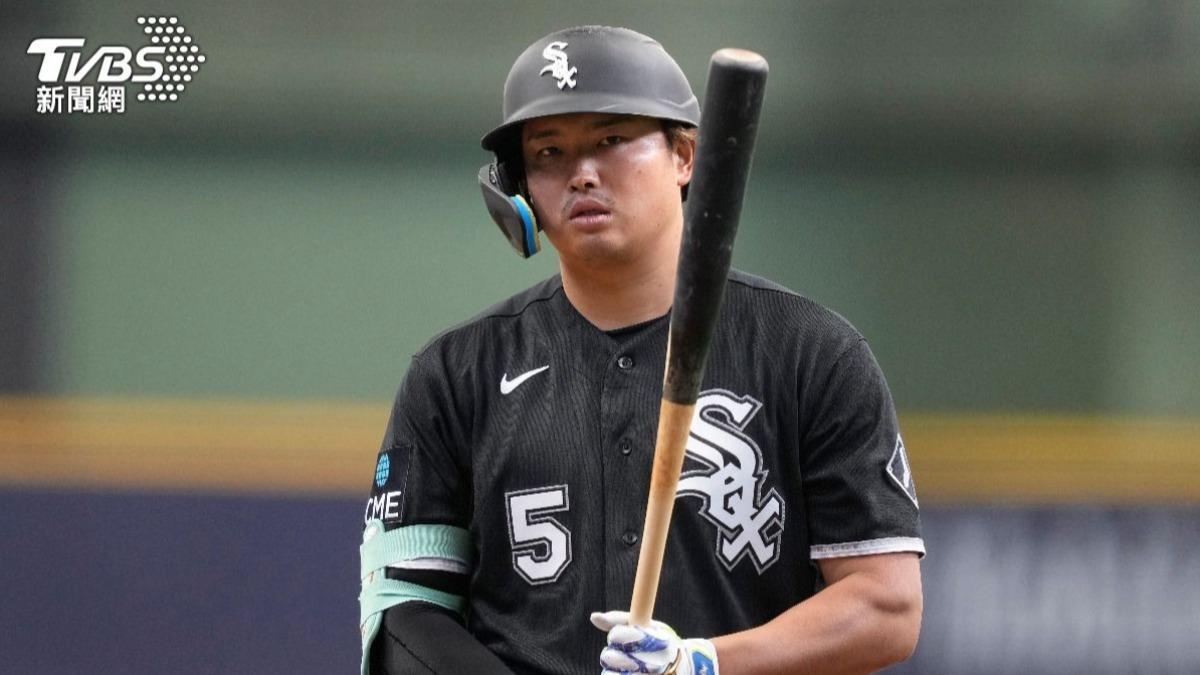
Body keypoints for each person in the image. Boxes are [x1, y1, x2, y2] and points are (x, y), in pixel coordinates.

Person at [359, 25, 924, 675]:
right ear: (518, 190)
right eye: (549, 152)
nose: (581, 174)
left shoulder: (811, 352)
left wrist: (702, 663)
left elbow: (886, 606)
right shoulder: (457, 374)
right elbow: (403, 618)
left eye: (611, 140)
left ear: (685, 156)